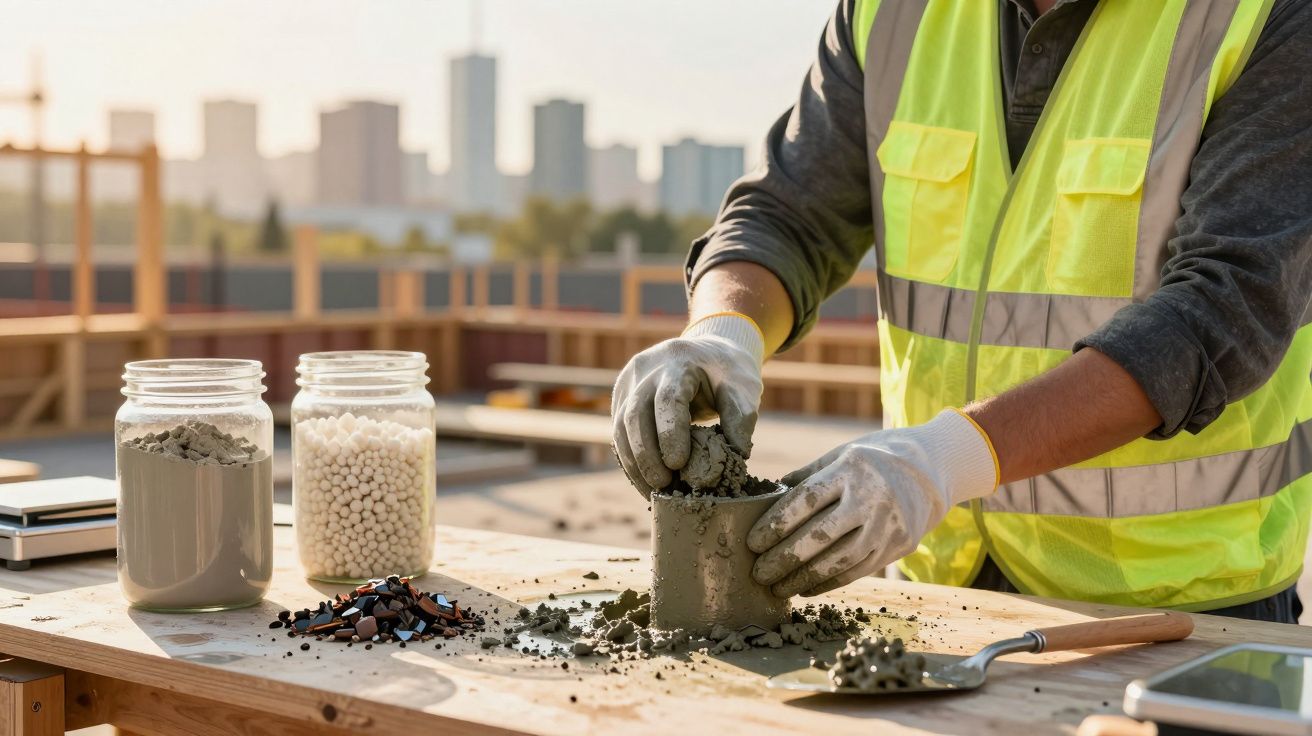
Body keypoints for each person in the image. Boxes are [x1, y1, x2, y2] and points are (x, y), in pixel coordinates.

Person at [611, 0, 1312, 624]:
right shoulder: (891, 14)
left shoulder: (1261, 17)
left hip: (1183, 606)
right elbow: (787, 212)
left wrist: (945, 460)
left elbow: (1222, 308)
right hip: (942, 595)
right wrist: (723, 333)